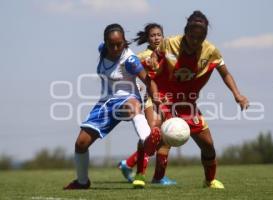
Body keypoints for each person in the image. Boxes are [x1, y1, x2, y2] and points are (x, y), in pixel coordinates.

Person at [132, 10, 249, 189]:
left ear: (205, 37)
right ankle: (140, 174)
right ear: (185, 32)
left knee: (208, 145)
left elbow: (225, 74)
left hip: (187, 103)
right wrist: (155, 93)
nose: (195, 42)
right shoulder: (169, 43)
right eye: (192, 37)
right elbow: (152, 73)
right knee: (153, 129)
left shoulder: (211, 51)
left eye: (199, 38)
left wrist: (238, 95)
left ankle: (209, 181)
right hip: (163, 97)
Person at [63, 23, 161, 190]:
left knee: (133, 106)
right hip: (106, 103)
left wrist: (156, 97)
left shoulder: (129, 60)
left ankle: (148, 140)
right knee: (80, 144)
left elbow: (148, 81)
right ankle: (82, 181)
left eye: (119, 44)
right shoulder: (102, 49)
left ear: (124, 41)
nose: (116, 48)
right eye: (111, 44)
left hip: (127, 99)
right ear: (105, 42)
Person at [118, 23, 176, 185]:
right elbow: (130, 72)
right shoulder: (143, 56)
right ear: (147, 38)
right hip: (151, 99)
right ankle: (141, 173)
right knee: (153, 135)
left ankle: (151, 173)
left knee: (166, 138)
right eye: (152, 35)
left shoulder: (169, 54)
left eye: (159, 34)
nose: (156, 38)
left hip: (168, 99)